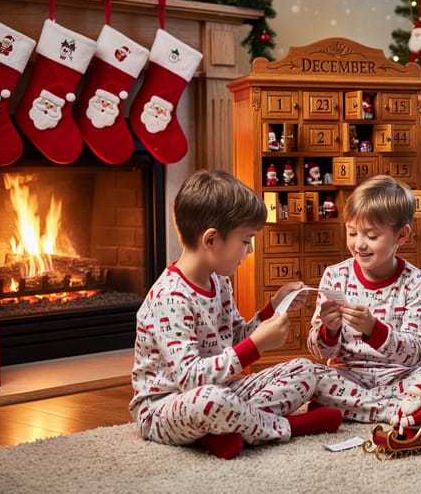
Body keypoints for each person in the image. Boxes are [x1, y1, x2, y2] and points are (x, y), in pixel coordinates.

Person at [129, 170, 342, 460]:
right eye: (245, 240)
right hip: (165, 407)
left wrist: (273, 307)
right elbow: (191, 379)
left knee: (304, 371)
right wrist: (256, 348)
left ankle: (223, 433)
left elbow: (235, 337)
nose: (250, 250)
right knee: (213, 401)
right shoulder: (170, 298)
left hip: (224, 389)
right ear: (212, 240)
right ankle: (290, 427)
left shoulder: (220, 281)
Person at [308, 175, 421, 427]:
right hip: (350, 375)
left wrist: (374, 329)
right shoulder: (335, 276)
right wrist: (329, 330)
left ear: (401, 236)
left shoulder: (416, 282)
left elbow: (414, 352)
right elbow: (319, 353)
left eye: (371, 236)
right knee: (307, 375)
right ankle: (408, 411)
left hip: (401, 376)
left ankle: (352, 408)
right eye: (352, 232)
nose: (359, 244)